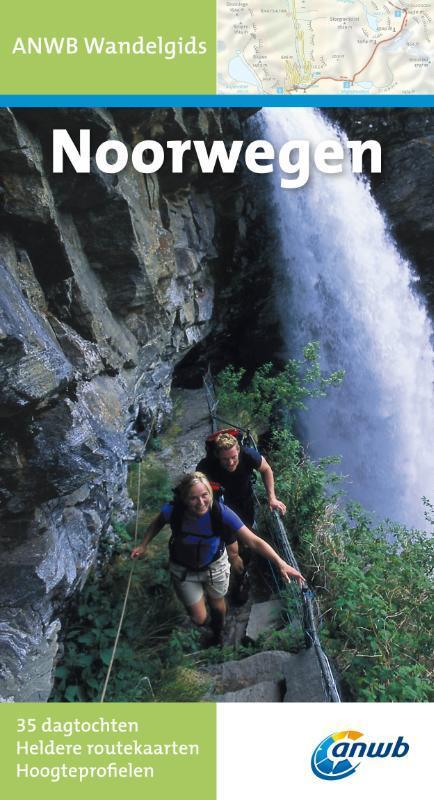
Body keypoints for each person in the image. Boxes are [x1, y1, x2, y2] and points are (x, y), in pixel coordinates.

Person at [131, 472, 304, 645]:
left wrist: (280, 563)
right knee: (198, 618)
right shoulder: (174, 511)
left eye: (204, 495)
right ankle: (208, 623)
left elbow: (253, 541)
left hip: (214, 567)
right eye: (193, 498)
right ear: (184, 499)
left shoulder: (220, 512)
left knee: (217, 602)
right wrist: (143, 544)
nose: (201, 503)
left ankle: (218, 632)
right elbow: (158, 522)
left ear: (210, 494)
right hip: (183, 569)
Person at [197, 431, 286, 527]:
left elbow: (266, 469)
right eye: (225, 459)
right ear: (217, 455)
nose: (230, 463)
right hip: (221, 501)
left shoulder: (248, 455)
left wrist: (272, 498)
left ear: (238, 450)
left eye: (234, 457)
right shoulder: (206, 466)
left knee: (248, 522)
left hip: (245, 497)